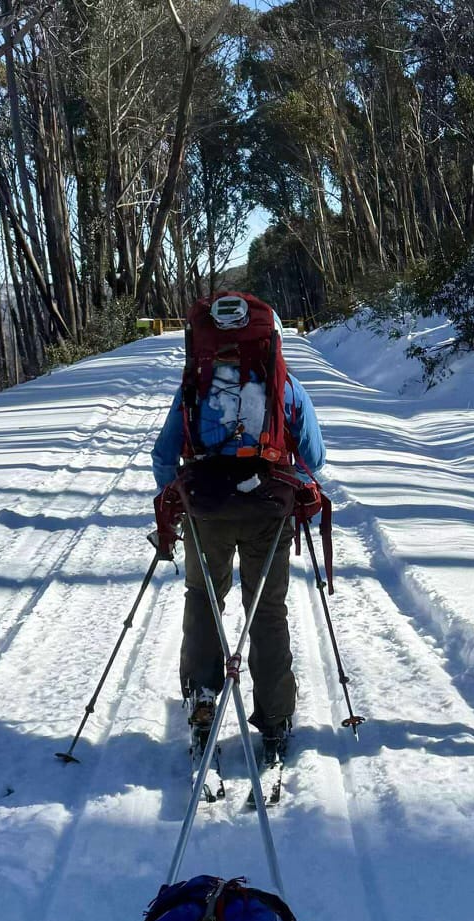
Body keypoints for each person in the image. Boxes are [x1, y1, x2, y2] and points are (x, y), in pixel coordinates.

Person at [152, 292, 327, 766]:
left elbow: (164, 454)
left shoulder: (195, 383)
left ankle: (203, 703)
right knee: (266, 611)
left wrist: (177, 499)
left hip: (206, 507)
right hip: (268, 507)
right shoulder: (282, 383)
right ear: (269, 340)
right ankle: (274, 720)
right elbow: (315, 455)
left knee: (204, 602)